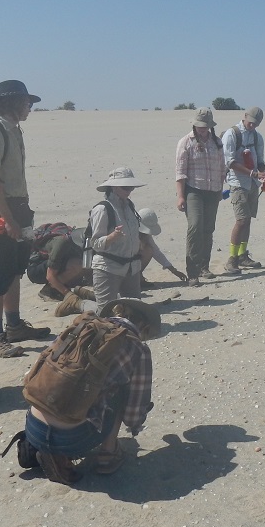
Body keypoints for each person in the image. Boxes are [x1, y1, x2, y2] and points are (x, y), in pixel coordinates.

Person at [23, 299, 157, 484]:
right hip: (72, 439)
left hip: (33, 426)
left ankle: (46, 448)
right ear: (145, 327)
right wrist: (136, 424)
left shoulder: (83, 325)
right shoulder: (138, 348)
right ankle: (108, 455)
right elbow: (133, 414)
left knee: (53, 381)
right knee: (121, 392)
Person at [0, 80, 52, 358]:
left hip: (19, 208)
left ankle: (15, 326)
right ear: (13, 103)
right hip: (0, 212)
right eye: (27, 103)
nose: (30, 108)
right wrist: (8, 219)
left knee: (15, 271)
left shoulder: (13, 129)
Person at [175, 108, 228, 287]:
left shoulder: (217, 142)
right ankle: (193, 272)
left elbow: (222, 168)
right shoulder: (185, 142)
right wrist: (180, 196)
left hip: (213, 191)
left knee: (208, 229)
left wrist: (220, 190)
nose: (202, 129)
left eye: (205, 126)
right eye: (199, 125)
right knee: (195, 227)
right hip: (193, 191)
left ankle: (204, 267)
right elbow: (180, 172)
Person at [222, 106, 265, 275]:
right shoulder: (232, 134)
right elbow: (230, 162)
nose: (252, 126)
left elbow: (260, 159)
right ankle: (232, 259)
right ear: (244, 116)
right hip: (238, 183)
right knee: (241, 220)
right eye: (250, 123)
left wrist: (264, 175)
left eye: (256, 124)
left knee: (248, 219)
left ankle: (243, 255)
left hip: (253, 183)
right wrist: (253, 173)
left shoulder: (257, 137)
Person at [87, 167, 146, 308]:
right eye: (126, 187)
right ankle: (78, 303)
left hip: (131, 268)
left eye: (131, 187)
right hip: (108, 268)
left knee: (134, 311)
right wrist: (112, 237)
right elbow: (95, 243)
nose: (129, 191)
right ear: (114, 187)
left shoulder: (129, 205)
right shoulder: (102, 209)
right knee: (105, 313)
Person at [26, 227, 90, 301]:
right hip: (36, 268)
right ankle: (49, 290)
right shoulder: (61, 243)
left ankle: (61, 285)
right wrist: (69, 294)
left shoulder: (75, 241)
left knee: (86, 266)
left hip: (54, 259)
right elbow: (50, 276)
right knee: (78, 265)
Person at [137, 208, 187, 287]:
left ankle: (136, 277)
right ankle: (132, 279)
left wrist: (173, 270)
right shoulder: (128, 232)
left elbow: (156, 252)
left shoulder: (145, 235)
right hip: (122, 264)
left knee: (148, 250)